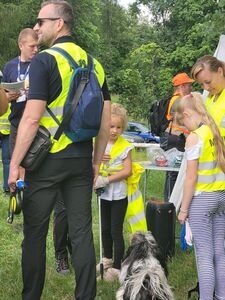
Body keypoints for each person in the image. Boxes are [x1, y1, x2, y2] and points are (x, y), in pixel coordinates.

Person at [8, 1, 111, 300]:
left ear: (60, 24)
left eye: (42, 21)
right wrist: (94, 162)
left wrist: (15, 164)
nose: (37, 26)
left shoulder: (44, 61)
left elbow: (31, 117)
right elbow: (105, 122)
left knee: (35, 235)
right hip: (80, 159)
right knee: (80, 234)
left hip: (46, 161)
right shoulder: (94, 63)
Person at [176, 92, 225, 300]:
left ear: (187, 113)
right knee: (220, 253)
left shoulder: (195, 138)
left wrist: (184, 209)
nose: (185, 128)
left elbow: (190, 178)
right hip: (221, 196)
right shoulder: (216, 132)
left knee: (204, 256)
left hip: (202, 200)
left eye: (183, 123)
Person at [94, 103, 133, 281]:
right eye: (111, 126)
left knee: (116, 230)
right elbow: (92, 164)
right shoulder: (98, 143)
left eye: (118, 127)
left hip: (118, 194)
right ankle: (107, 259)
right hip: (103, 193)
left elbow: (127, 171)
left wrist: (107, 179)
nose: (114, 131)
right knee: (105, 227)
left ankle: (118, 266)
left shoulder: (125, 146)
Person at [2, 28, 38, 156]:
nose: (36, 50)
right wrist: (7, 97)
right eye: (32, 46)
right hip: (16, 123)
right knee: (15, 164)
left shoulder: (40, 64)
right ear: (21, 45)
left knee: (33, 165)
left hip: (36, 124)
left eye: (37, 46)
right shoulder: (9, 66)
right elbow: (3, 98)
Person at [163, 72, 194, 201]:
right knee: (174, 172)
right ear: (181, 86)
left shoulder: (174, 99)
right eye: (188, 85)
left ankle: (169, 202)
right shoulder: (179, 100)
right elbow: (179, 121)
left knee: (172, 171)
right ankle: (170, 203)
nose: (190, 87)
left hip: (172, 137)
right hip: (176, 138)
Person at [191, 55, 225, 129]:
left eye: (208, 82)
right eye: (202, 84)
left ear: (220, 71)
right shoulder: (211, 97)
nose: (206, 88)